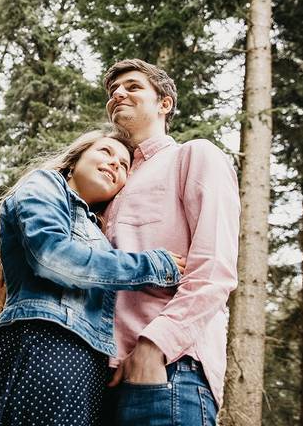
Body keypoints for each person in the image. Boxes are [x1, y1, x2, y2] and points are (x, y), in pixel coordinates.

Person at [0, 127, 186, 426]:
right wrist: (151, 266)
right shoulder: (46, 184)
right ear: (74, 160)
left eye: (123, 165)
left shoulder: (100, 231)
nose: (114, 164)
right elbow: (52, 257)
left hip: (89, 368)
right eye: (105, 152)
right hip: (43, 345)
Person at [101, 59, 240, 426]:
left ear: (165, 104)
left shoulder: (194, 155)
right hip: (100, 382)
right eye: (112, 91)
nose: (118, 94)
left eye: (132, 86)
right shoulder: (110, 183)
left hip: (171, 372)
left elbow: (214, 269)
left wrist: (154, 347)